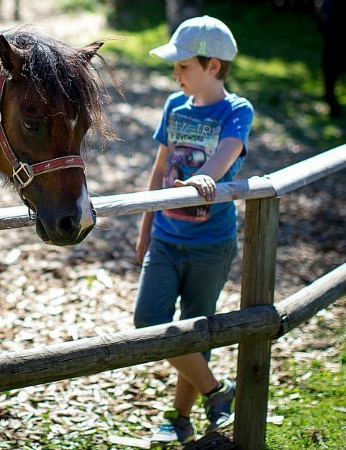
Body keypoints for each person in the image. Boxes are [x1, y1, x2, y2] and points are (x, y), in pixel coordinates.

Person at [133, 15, 254, 447]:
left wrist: (206, 177)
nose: (175, 74)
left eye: (183, 66)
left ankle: (180, 418)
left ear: (213, 67)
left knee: (195, 329)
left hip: (210, 245)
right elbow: (160, 167)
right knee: (148, 323)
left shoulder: (237, 110)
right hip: (166, 237)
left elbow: (229, 149)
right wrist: (146, 224)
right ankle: (217, 392)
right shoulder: (173, 106)